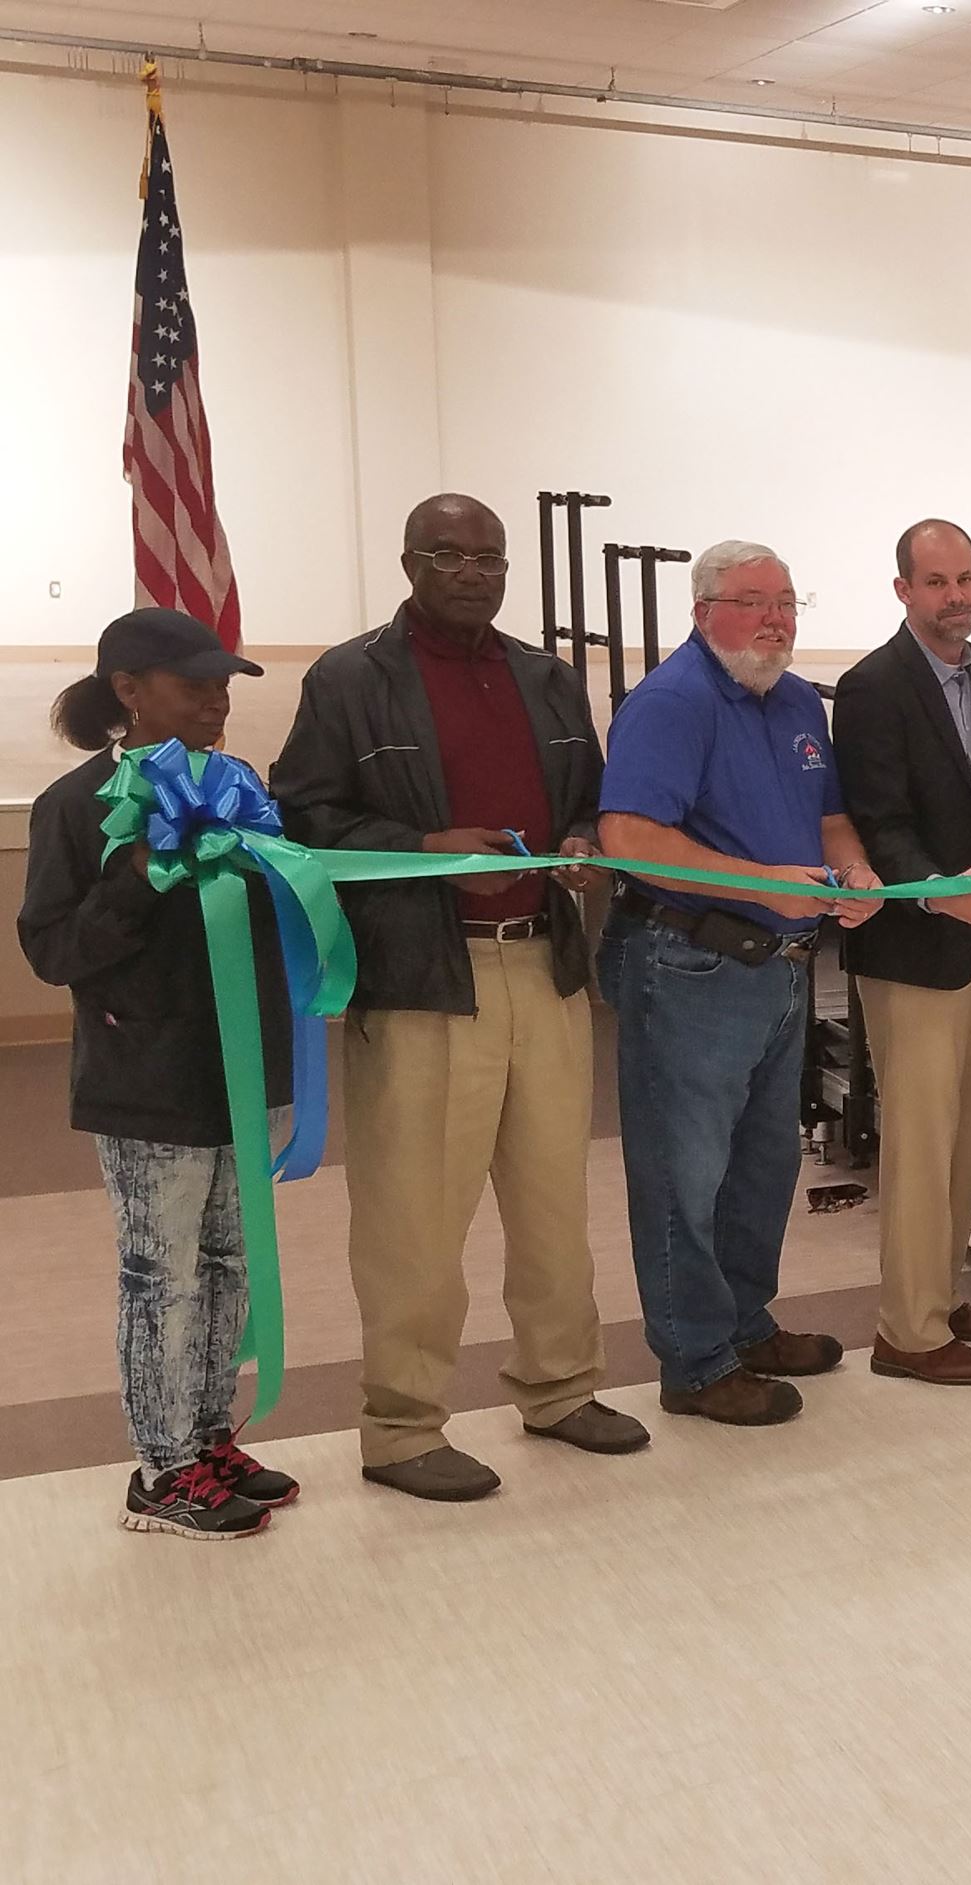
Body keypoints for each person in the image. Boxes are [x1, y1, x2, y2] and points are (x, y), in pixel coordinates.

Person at [272, 494, 643, 1503]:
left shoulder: (548, 678)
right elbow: (304, 821)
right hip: (423, 982)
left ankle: (560, 1388)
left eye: (491, 557)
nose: (475, 572)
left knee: (553, 1206)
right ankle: (400, 1427)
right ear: (408, 563)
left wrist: (579, 848)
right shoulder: (352, 679)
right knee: (413, 1219)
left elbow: (587, 806)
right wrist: (427, 851)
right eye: (450, 555)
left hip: (546, 969)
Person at [19, 610, 294, 1539]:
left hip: (236, 1060)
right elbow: (54, 948)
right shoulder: (77, 803)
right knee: (160, 1272)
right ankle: (161, 1465)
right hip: (145, 1070)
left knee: (229, 1261)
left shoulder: (241, 787)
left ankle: (209, 1434)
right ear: (129, 692)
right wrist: (141, 869)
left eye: (225, 686)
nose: (217, 701)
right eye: (193, 685)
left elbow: (278, 906)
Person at [597, 539, 875, 1426]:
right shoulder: (672, 702)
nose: (776, 619)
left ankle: (745, 1324)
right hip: (691, 965)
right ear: (701, 609)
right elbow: (630, 839)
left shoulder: (795, 700)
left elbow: (828, 818)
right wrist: (760, 883)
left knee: (764, 1162)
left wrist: (856, 872)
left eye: (788, 601)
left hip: (783, 969)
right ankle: (695, 1359)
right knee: (687, 1170)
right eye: (754, 601)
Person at [832, 518, 971, 1386]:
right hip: (914, 942)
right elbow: (879, 817)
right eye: (937, 581)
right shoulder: (871, 685)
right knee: (918, 1140)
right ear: (904, 591)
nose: (956, 596)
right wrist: (941, 889)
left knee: (962, 1131)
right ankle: (907, 1333)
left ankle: (942, 1297)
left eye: (967, 579)